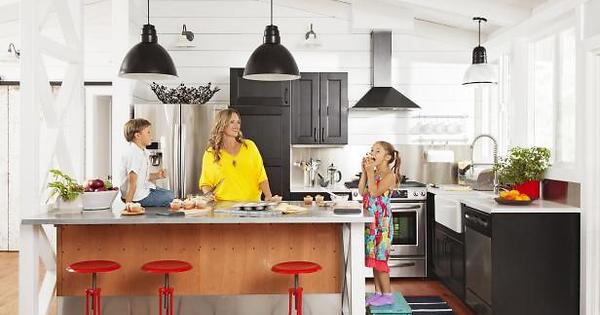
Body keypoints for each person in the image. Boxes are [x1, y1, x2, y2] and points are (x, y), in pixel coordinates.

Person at [358, 141, 401, 306]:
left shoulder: (390, 176)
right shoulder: (373, 173)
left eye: (377, 151)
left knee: (381, 259)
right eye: (371, 150)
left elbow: (374, 192)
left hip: (382, 225)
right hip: (371, 223)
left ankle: (387, 295)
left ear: (387, 157)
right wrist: (365, 172)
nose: (372, 153)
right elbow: (362, 191)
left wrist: (369, 172)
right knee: (374, 258)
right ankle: (378, 293)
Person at [199, 108, 273, 202]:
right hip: (223, 209)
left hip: (251, 207)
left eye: (238, 122)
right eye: (232, 122)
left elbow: (261, 175)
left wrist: (269, 196)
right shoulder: (211, 153)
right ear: (222, 125)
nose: (236, 126)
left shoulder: (249, 146)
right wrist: (208, 196)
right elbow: (206, 182)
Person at [119, 118, 174, 207]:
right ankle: (136, 203)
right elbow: (132, 182)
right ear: (137, 135)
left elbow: (143, 177)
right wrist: (128, 205)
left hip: (143, 189)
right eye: (148, 132)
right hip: (137, 197)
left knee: (169, 194)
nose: (151, 136)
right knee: (170, 196)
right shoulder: (134, 154)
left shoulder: (142, 152)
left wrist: (158, 175)